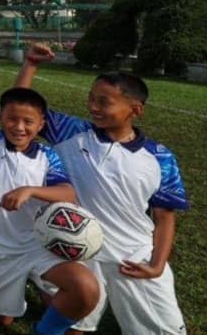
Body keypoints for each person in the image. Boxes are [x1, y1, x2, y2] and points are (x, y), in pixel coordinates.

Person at [20, 44, 188, 334]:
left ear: (135, 110)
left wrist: (157, 264)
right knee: (76, 328)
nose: (93, 107)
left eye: (104, 101)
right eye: (91, 98)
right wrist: (31, 65)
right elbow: (22, 106)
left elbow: (164, 216)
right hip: (79, 252)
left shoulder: (160, 157)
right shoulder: (72, 132)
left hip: (134, 256)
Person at [0, 44, 100, 333]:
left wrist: (30, 190)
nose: (19, 127)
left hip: (35, 247)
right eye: (12, 119)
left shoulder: (46, 156)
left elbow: (68, 193)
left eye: (28, 122)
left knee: (85, 287)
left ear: (40, 126)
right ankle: (31, 292)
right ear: (1, 118)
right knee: (3, 320)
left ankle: (45, 328)